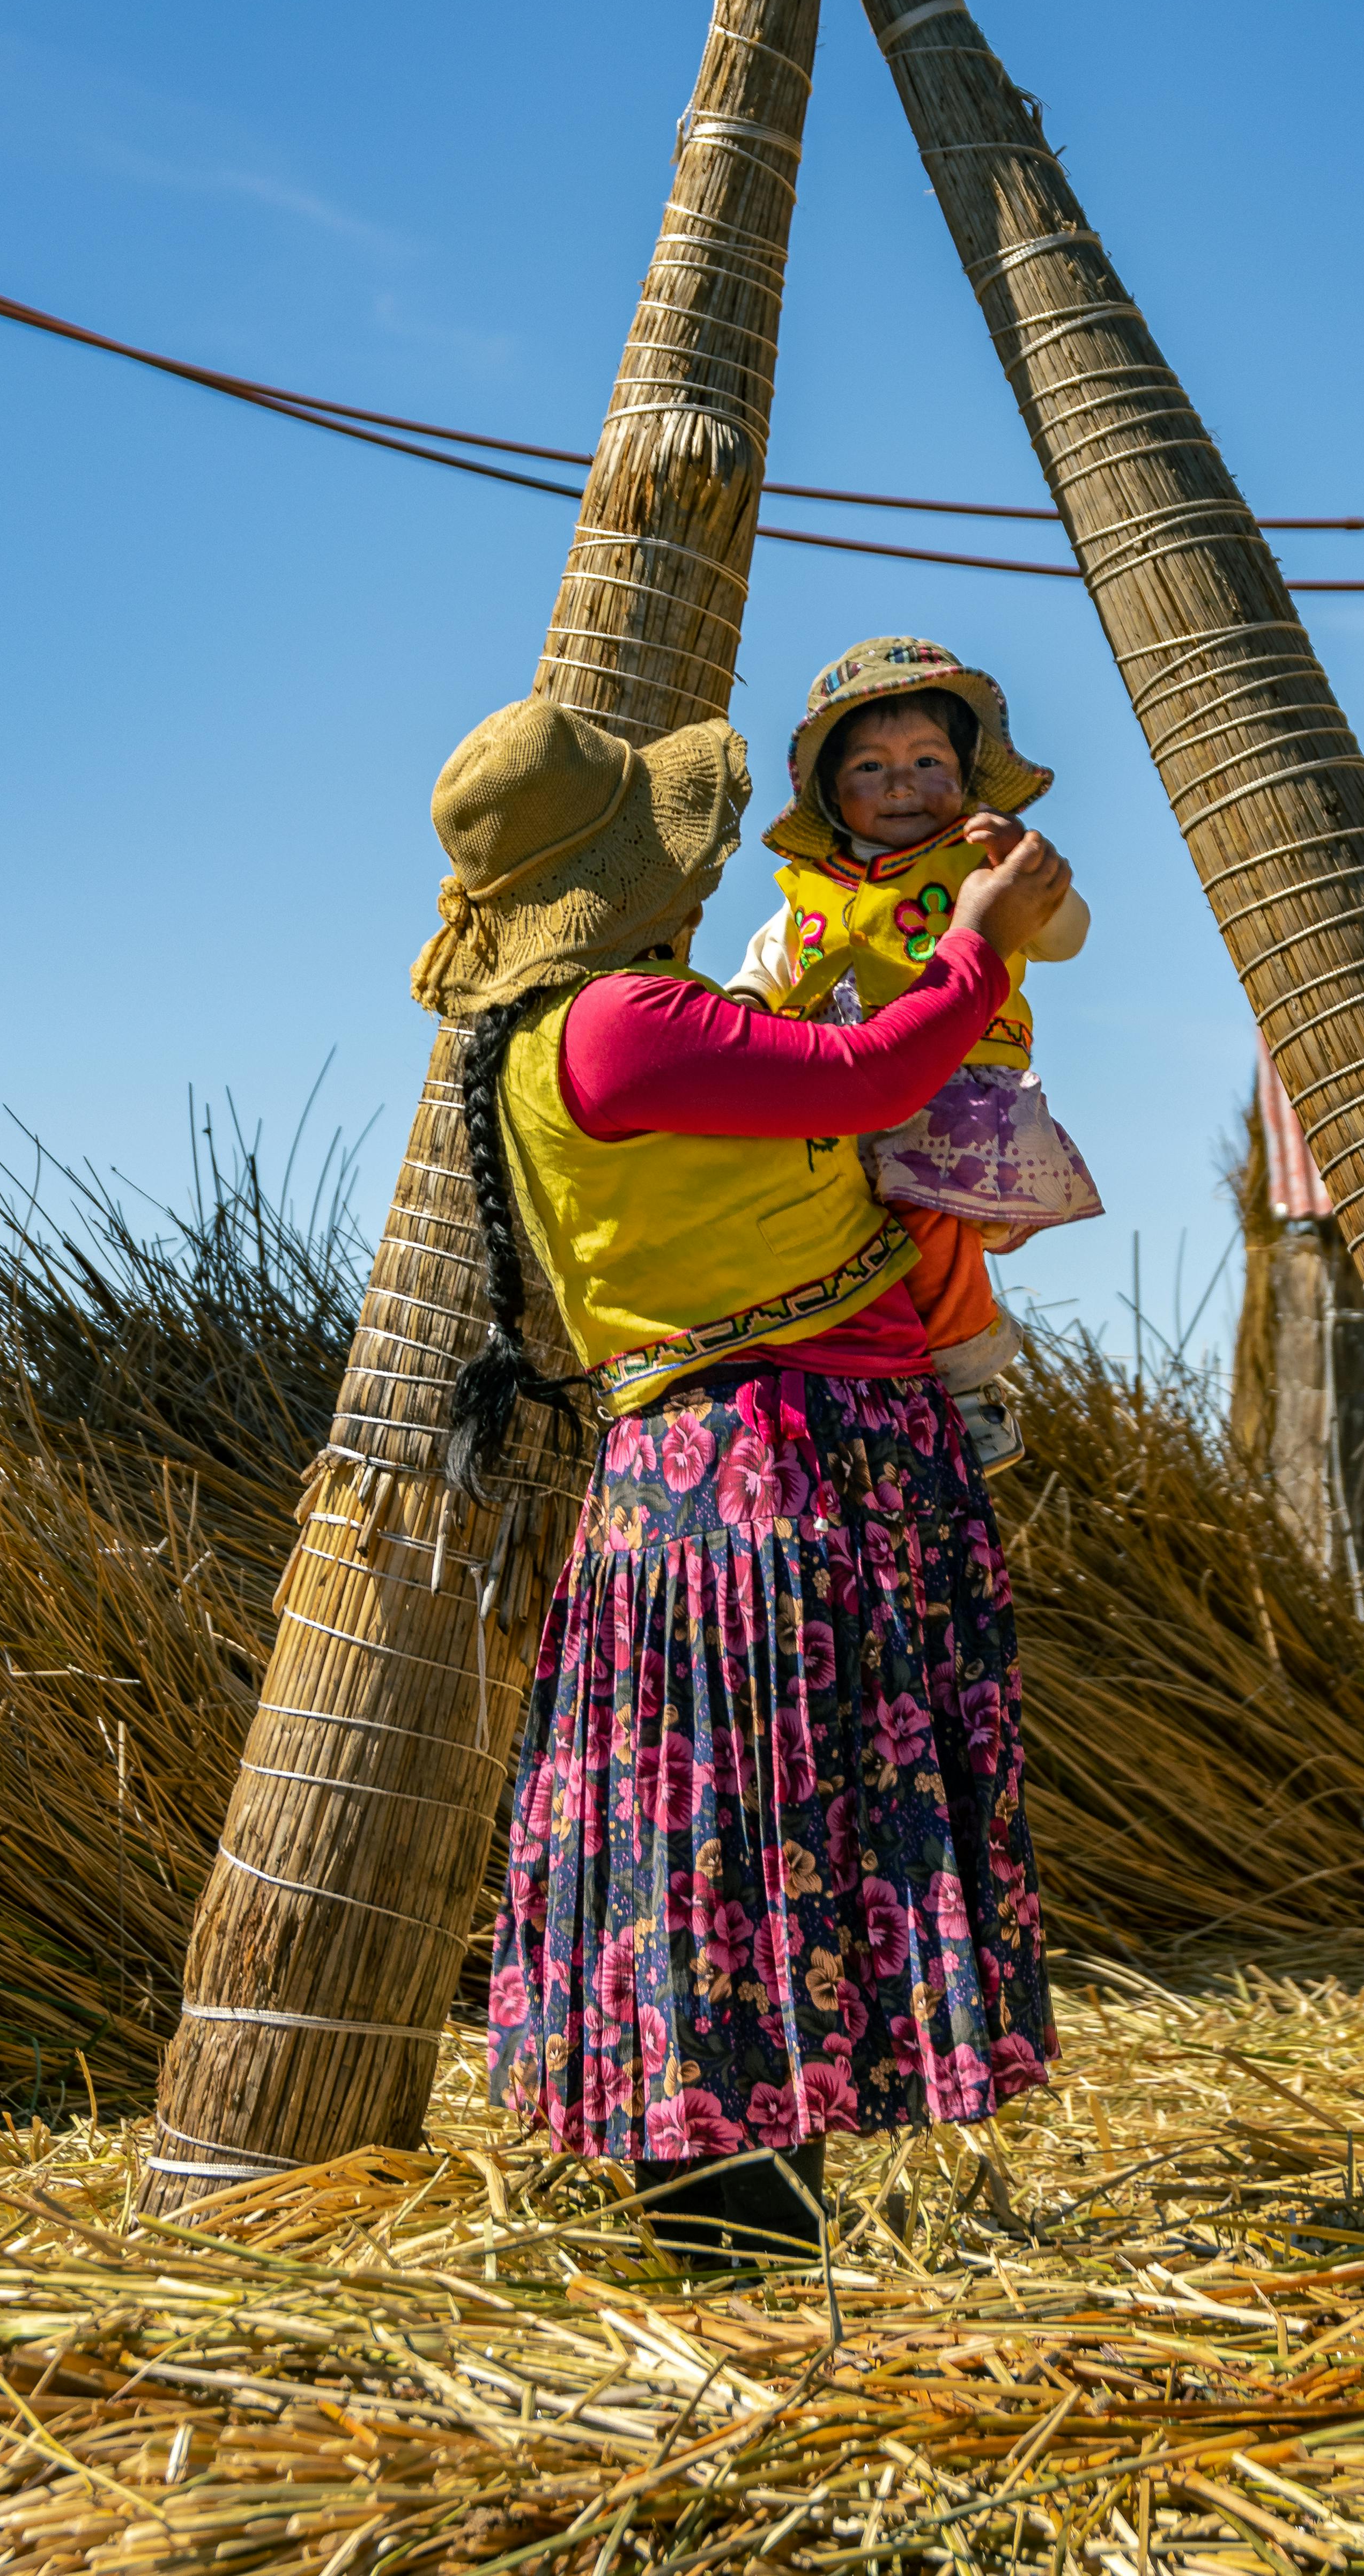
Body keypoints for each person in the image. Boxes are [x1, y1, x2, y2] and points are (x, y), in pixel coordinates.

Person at [411, 696, 1066, 2270]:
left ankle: (741, 2220)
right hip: (771, 1462)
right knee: (744, 1819)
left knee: (740, 1819)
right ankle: (725, 2226)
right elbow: (861, 1074)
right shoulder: (618, 1018)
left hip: (740, 1461)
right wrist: (974, 941)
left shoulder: (569, 1024)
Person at [725, 638, 1101, 1475]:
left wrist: (1031, 874)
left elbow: (1067, 938)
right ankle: (838, 1378)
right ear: (829, 792)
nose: (899, 782)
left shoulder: (980, 865)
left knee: (934, 1229)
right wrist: (747, 1004)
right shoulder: (810, 886)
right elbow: (767, 962)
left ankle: (967, 1390)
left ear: (964, 781)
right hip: (830, 1094)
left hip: (950, 1090)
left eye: (926, 759)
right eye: (868, 765)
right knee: (839, 1237)